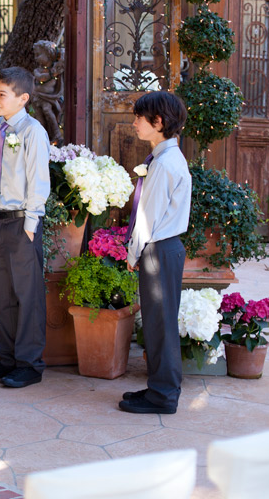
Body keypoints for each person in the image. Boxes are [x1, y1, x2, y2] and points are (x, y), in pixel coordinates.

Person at [0, 66, 50, 389]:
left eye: (1, 95)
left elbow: (38, 180)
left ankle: (29, 364)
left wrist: (31, 223)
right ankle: (6, 358)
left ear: (22, 99)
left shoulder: (33, 132)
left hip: (23, 223)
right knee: (1, 295)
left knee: (27, 294)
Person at [120, 91, 191, 415]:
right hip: (165, 248)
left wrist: (133, 254)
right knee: (157, 323)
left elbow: (149, 218)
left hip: (160, 248)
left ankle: (163, 395)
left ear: (158, 122)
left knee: (160, 324)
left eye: (139, 117)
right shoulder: (166, 159)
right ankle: (159, 388)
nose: (134, 122)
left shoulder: (164, 164)